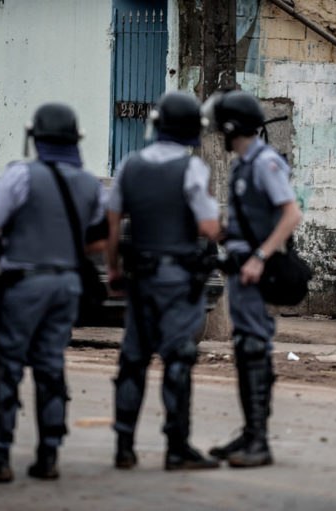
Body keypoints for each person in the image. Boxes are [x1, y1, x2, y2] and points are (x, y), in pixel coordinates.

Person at [0, 102, 106, 483]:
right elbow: (99, 238)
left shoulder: (20, 176)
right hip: (67, 285)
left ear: (35, 138)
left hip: (24, 283)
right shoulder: (90, 183)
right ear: (75, 140)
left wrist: (17, 248)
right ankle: (49, 456)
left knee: (7, 367)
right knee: (50, 366)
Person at [106, 91, 221, 471]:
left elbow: (113, 222)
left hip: (140, 276)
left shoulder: (130, 165)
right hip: (178, 279)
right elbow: (207, 226)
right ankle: (176, 448)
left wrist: (115, 269)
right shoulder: (192, 170)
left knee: (133, 360)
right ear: (192, 131)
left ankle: (124, 446)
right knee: (177, 359)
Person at [203, 90, 302, 468]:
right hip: (241, 262)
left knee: (253, 346)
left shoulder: (264, 163)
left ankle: (258, 441)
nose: (218, 134)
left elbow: (292, 214)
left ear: (232, 126)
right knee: (245, 346)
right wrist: (223, 233)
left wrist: (260, 256)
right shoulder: (244, 164)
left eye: (221, 128)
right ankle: (249, 433)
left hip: (254, 267)